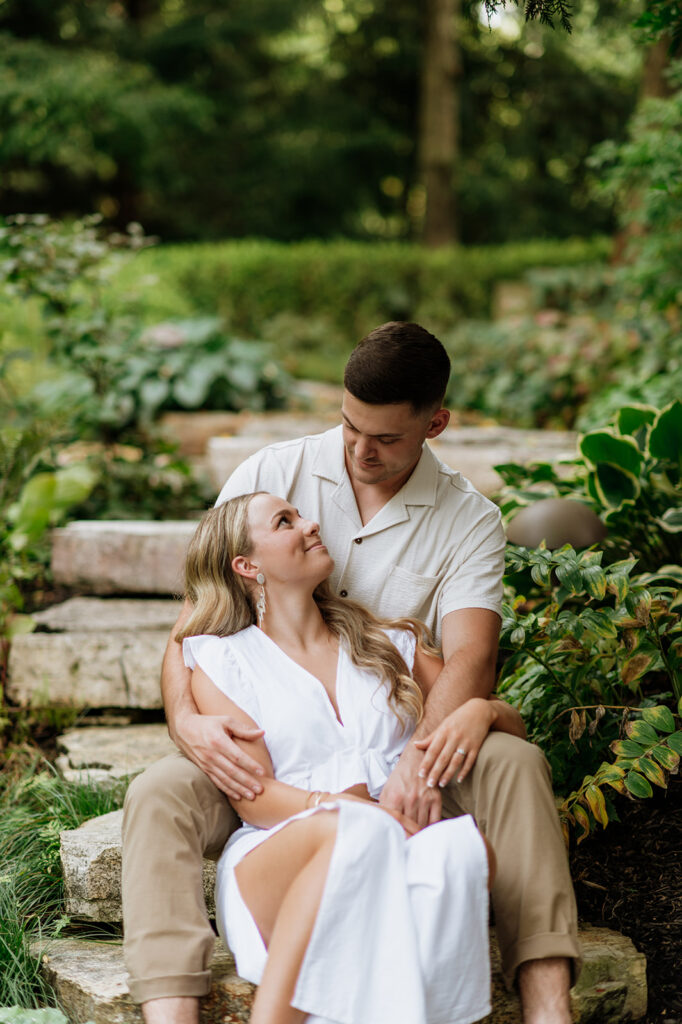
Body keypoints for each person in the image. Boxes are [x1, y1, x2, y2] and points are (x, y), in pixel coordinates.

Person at [122, 322, 580, 1024]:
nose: (361, 451)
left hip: (403, 734)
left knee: (514, 760)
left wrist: (421, 763)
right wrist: (185, 718)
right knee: (159, 790)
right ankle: (171, 1002)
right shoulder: (272, 476)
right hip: (275, 754)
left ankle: (549, 1007)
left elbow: (471, 660)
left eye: (387, 439)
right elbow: (197, 618)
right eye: (349, 426)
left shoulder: (467, 520)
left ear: (436, 424)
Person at [177, 491, 527, 1024]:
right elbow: (256, 798)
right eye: (285, 521)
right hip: (282, 855)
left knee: (460, 850)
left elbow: (515, 728)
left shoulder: (390, 645)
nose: (310, 523)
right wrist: (352, 810)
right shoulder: (223, 660)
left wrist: (480, 711)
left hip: (396, 848)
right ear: (248, 566)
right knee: (358, 830)